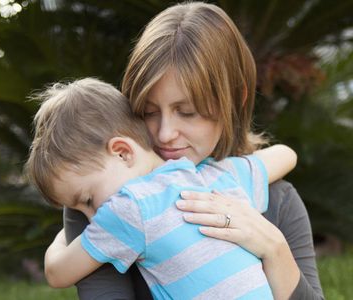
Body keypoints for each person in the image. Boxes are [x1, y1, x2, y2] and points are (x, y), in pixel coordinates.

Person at [63, 2, 324, 300]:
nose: (164, 134)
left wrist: (274, 249)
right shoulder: (102, 197)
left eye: (187, 112)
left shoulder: (278, 200)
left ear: (234, 100)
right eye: (148, 111)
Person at [26, 77, 297, 299]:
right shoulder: (215, 175)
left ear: (122, 152)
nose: (91, 218)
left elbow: (56, 273)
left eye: (87, 200)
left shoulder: (126, 209)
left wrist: (63, 238)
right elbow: (286, 155)